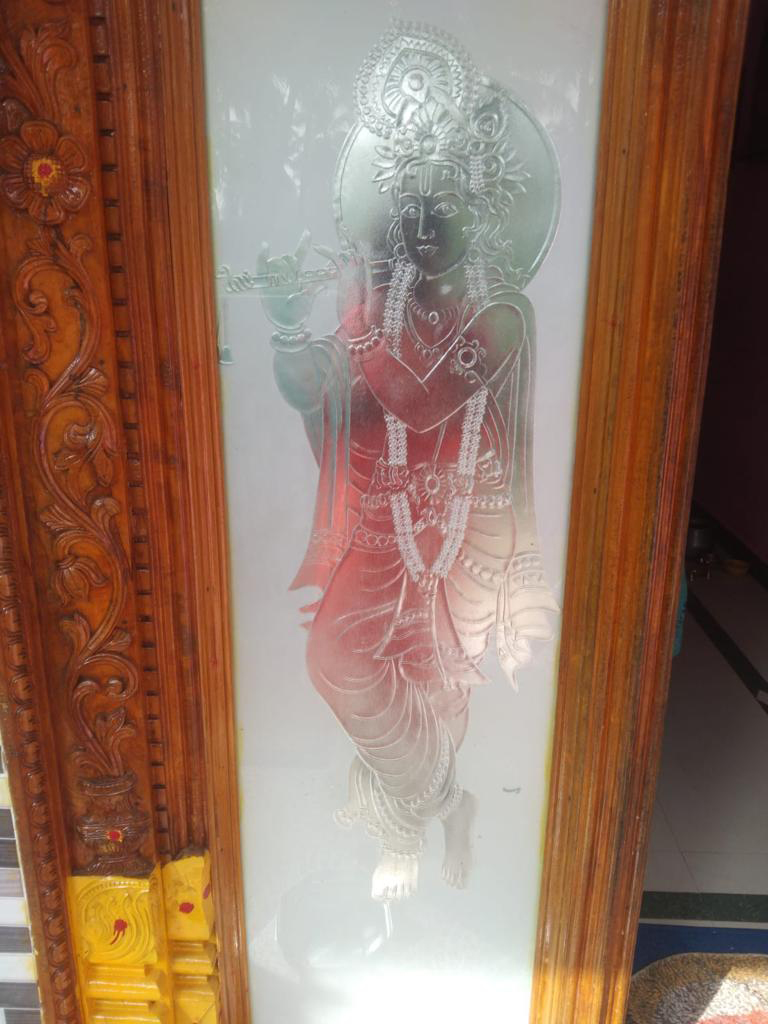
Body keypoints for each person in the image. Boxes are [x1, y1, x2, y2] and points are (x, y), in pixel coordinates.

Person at [256, 23, 558, 901]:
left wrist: (353, 314)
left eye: (442, 206)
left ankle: (415, 818)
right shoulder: (376, 308)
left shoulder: (501, 313)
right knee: (336, 662)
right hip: (381, 528)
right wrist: (287, 328)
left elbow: (421, 400)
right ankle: (436, 804)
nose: (422, 228)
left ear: (478, 211)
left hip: (466, 535)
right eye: (406, 209)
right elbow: (319, 391)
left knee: (440, 695)